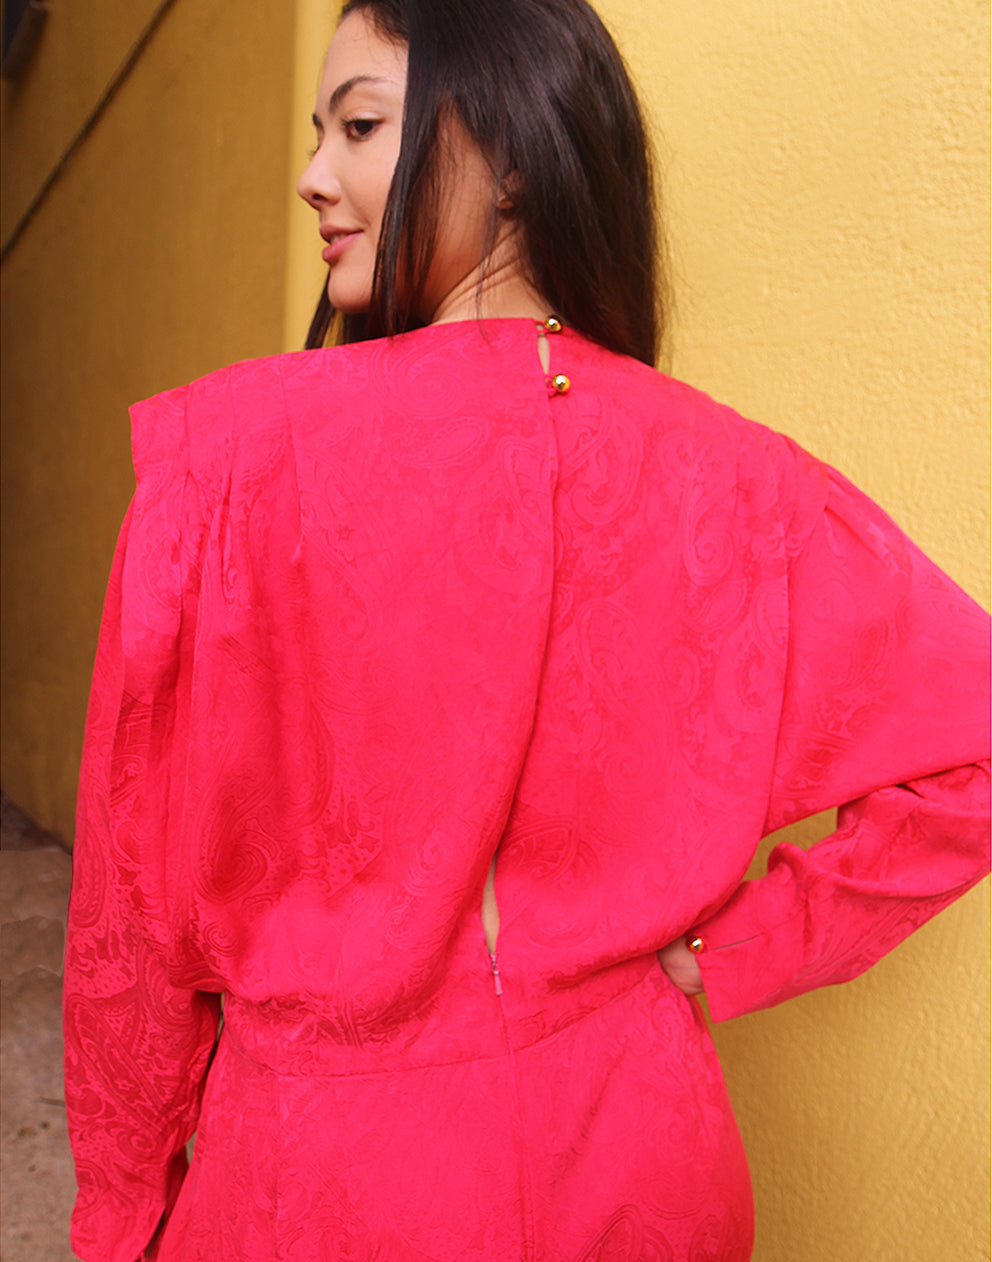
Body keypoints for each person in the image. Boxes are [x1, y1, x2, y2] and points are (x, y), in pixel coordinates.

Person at [62, 1, 990, 1259]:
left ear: (504, 155)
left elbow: (136, 919)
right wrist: (729, 951)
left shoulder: (226, 469)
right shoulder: (737, 480)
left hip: (326, 1175)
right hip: (639, 1148)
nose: (311, 177)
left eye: (360, 126)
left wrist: (123, 1211)